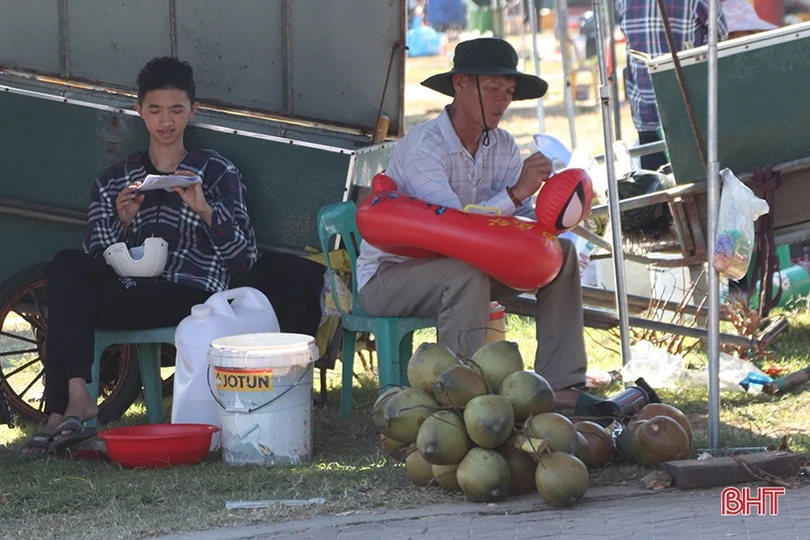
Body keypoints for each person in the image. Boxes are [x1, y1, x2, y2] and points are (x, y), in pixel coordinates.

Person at [20, 57, 258, 458]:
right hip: (127, 289)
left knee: (71, 298)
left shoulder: (215, 171)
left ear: (193, 111)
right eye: (155, 110)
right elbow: (94, 255)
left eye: (177, 110)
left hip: (190, 294)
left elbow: (244, 260)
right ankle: (78, 394)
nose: (166, 121)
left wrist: (206, 212)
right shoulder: (115, 179)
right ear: (139, 111)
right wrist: (122, 222)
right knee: (64, 267)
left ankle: (60, 414)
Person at [356, 38, 596, 413]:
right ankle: (462, 400)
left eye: (509, 91)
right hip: (390, 278)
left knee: (561, 255)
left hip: (467, 269)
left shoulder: (502, 147)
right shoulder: (425, 148)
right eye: (493, 88)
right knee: (465, 271)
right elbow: (452, 235)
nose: (503, 100)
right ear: (460, 85)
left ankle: (562, 389)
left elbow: (519, 226)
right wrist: (516, 194)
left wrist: (560, 211)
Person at [616, 0, 728, 171]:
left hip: (646, 111)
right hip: (690, 109)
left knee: (657, 186)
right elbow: (720, 35)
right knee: (698, 183)